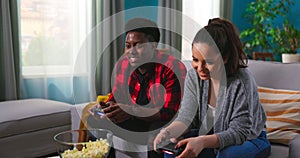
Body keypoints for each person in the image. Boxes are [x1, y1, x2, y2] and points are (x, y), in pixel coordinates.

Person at [153, 18, 271, 158]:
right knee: (173, 150)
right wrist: (167, 132)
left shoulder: (242, 81)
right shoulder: (194, 77)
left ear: (225, 58)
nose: (200, 68)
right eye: (195, 60)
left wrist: (202, 142)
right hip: (210, 135)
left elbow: (240, 132)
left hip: (251, 139)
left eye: (208, 62)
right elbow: (186, 118)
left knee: (227, 155)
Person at [88, 18, 187, 157]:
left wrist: (131, 111)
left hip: (160, 123)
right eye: (128, 46)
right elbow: (116, 97)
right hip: (134, 121)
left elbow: (169, 113)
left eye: (138, 45)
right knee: (94, 120)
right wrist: (104, 107)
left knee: (155, 134)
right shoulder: (123, 64)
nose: (131, 51)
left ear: (153, 46)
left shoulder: (172, 67)